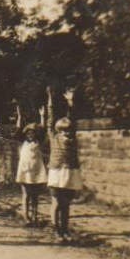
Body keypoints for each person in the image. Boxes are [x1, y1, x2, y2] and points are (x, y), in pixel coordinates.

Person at [46, 86, 82, 242]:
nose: (66, 133)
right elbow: (50, 118)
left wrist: (70, 101)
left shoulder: (72, 139)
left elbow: (72, 118)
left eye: (68, 130)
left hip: (70, 173)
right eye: (63, 131)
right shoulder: (53, 137)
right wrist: (50, 98)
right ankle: (57, 231)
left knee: (66, 204)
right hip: (56, 172)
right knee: (57, 203)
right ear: (57, 131)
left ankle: (65, 230)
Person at [15, 104, 48, 226]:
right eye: (28, 133)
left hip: (36, 172)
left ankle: (34, 217)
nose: (30, 135)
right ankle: (26, 217)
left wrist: (43, 116)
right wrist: (19, 116)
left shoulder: (38, 142)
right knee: (26, 195)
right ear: (25, 134)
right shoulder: (22, 142)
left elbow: (44, 130)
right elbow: (18, 130)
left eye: (32, 133)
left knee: (35, 196)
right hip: (25, 172)